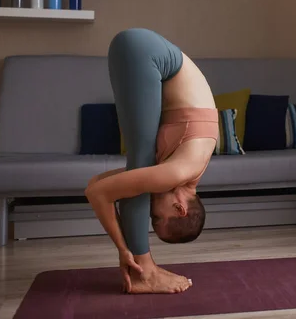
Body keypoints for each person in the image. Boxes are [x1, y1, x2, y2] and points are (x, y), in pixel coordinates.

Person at [84, 28, 218, 294]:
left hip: (143, 49)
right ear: (180, 208)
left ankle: (145, 270)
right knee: (140, 169)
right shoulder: (178, 171)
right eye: (156, 217)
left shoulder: (186, 169)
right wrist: (124, 251)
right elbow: (96, 192)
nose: (150, 211)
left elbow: (98, 184)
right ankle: (145, 272)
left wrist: (120, 188)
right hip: (147, 54)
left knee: (138, 174)